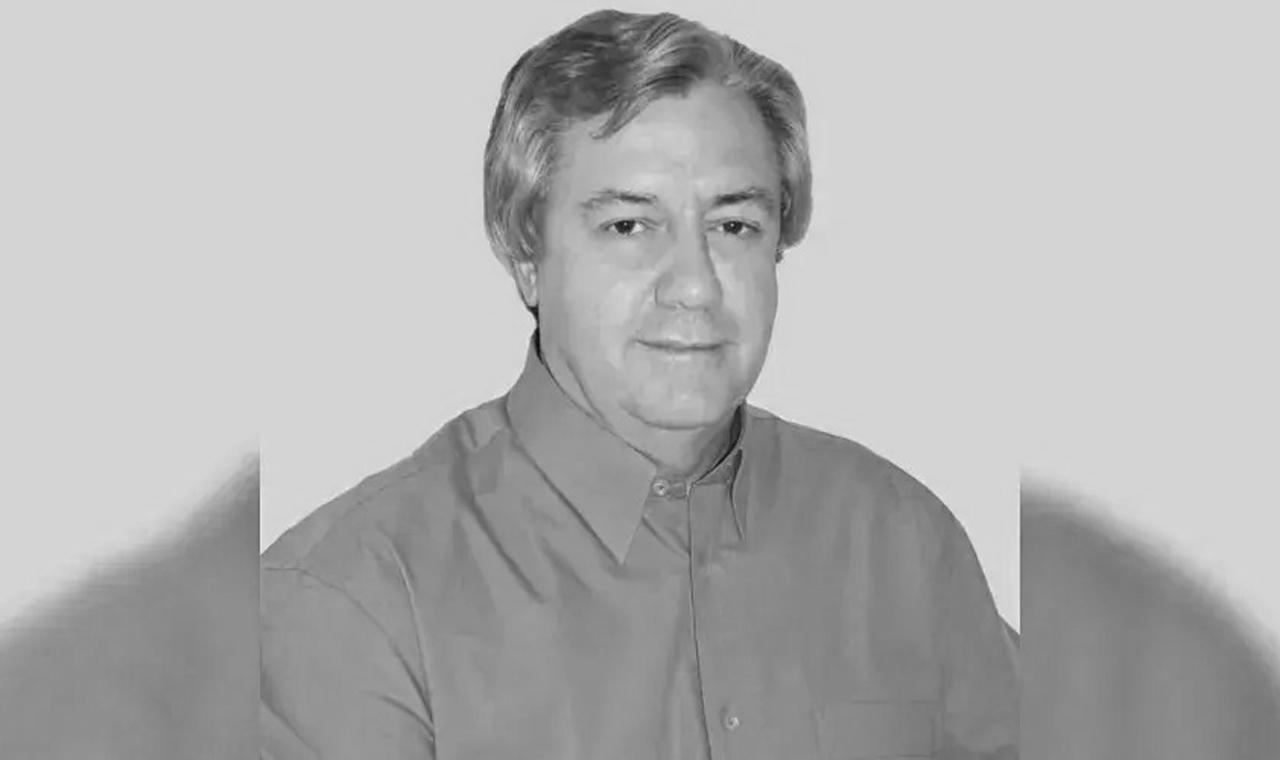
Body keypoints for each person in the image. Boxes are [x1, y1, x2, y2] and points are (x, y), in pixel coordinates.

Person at [260, 10, 1017, 759]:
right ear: (525, 255)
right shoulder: (352, 603)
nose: (694, 286)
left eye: (733, 226)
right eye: (629, 226)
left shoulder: (905, 545)